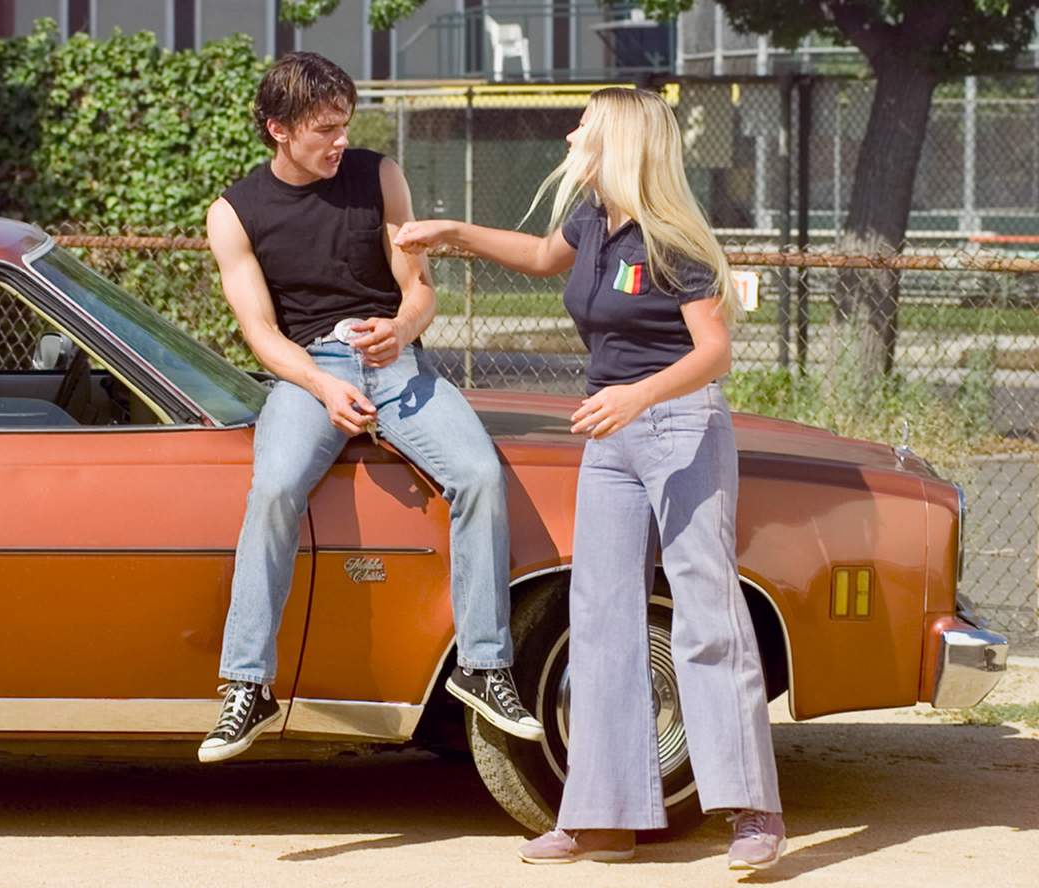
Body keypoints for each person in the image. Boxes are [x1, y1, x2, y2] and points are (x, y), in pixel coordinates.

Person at [394, 87, 786, 871]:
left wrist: (638, 396)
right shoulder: (592, 223)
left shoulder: (674, 238)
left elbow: (714, 355)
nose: (572, 133)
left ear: (621, 140)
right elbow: (544, 259)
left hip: (679, 427)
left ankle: (752, 812)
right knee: (601, 619)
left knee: (706, 613)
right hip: (609, 434)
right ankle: (604, 818)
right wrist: (454, 232)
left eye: (586, 124)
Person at [198, 52, 542, 765]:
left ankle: (483, 665)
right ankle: (247, 686)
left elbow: (419, 291)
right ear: (278, 130)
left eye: (345, 126)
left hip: (394, 359)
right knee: (274, 490)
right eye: (324, 129)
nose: (339, 141)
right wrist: (325, 388)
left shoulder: (379, 175)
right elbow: (261, 334)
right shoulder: (233, 214)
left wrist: (403, 329)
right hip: (306, 371)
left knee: (478, 474)